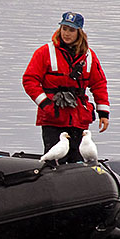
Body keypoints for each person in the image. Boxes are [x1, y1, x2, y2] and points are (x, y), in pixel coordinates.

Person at [23, 11, 110, 164]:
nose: (67, 33)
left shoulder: (89, 56)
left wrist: (103, 112)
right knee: (54, 163)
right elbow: (30, 80)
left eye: (71, 30)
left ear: (79, 32)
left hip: (79, 118)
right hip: (53, 117)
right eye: (64, 28)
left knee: (77, 161)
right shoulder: (45, 52)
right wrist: (45, 104)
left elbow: (99, 84)